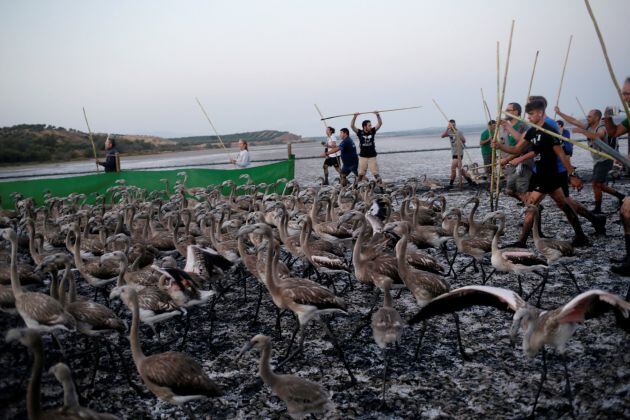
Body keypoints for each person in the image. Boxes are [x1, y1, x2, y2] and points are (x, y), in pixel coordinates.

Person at [494, 99, 590, 247]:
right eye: (528, 115)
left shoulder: (549, 130)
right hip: (539, 174)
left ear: (540, 113)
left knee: (537, 205)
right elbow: (518, 149)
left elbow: (561, 154)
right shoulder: (532, 130)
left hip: (550, 175)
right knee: (558, 205)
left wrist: (572, 174)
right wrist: (501, 146)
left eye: (531, 114)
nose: (529, 118)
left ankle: (522, 242)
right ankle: (580, 236)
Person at [556, 106, 625, 213]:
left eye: (589, 116)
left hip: (605, 160)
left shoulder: (602, 127)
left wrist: (581, 131)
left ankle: (598, 209)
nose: (587, 118)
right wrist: (559, 113)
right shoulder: (588, 126)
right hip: (597, 160)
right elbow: (574, 121)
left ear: (597, 118)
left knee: (595, 184)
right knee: (600, 185)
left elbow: (598, 136)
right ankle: (621, 196)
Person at [499, 102, 531, 202]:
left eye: (508, 110)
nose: (505, 112)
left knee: (522, 191)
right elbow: (504, 144)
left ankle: (531, 209)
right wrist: (502, 158)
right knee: (509, 191)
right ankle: (531, 205)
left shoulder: (522, 126)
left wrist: (507, 159)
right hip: (510, 164)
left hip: (522, 163)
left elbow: (522, 147)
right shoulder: (504, 126)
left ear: (516, 112)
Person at [441, 119, 476, 189]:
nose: (452, 126)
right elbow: (442, 136)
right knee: (461, 170)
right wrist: (447, 128)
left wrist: (458, 137)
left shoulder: (458, 132)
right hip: (453, 153)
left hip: (459, 152)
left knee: (453, 168)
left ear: (455, 125)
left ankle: (451, 185)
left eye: (453, 125)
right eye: (451, 125)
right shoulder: (449, 131)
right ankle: (470, 182)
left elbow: (464, 140)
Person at [351, 112, 382, 183]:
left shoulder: (372, 131)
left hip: (372, 156)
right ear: (364, 126)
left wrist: (377, 115)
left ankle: (381, 188)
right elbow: (352, 126)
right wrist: (355, 116)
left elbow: (379, 124)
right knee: (360, 174)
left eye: (371, 125)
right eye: (369, 125)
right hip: (363, 157)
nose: (371, 127)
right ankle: (356, 187)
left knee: (376, 173)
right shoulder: (359, 132)